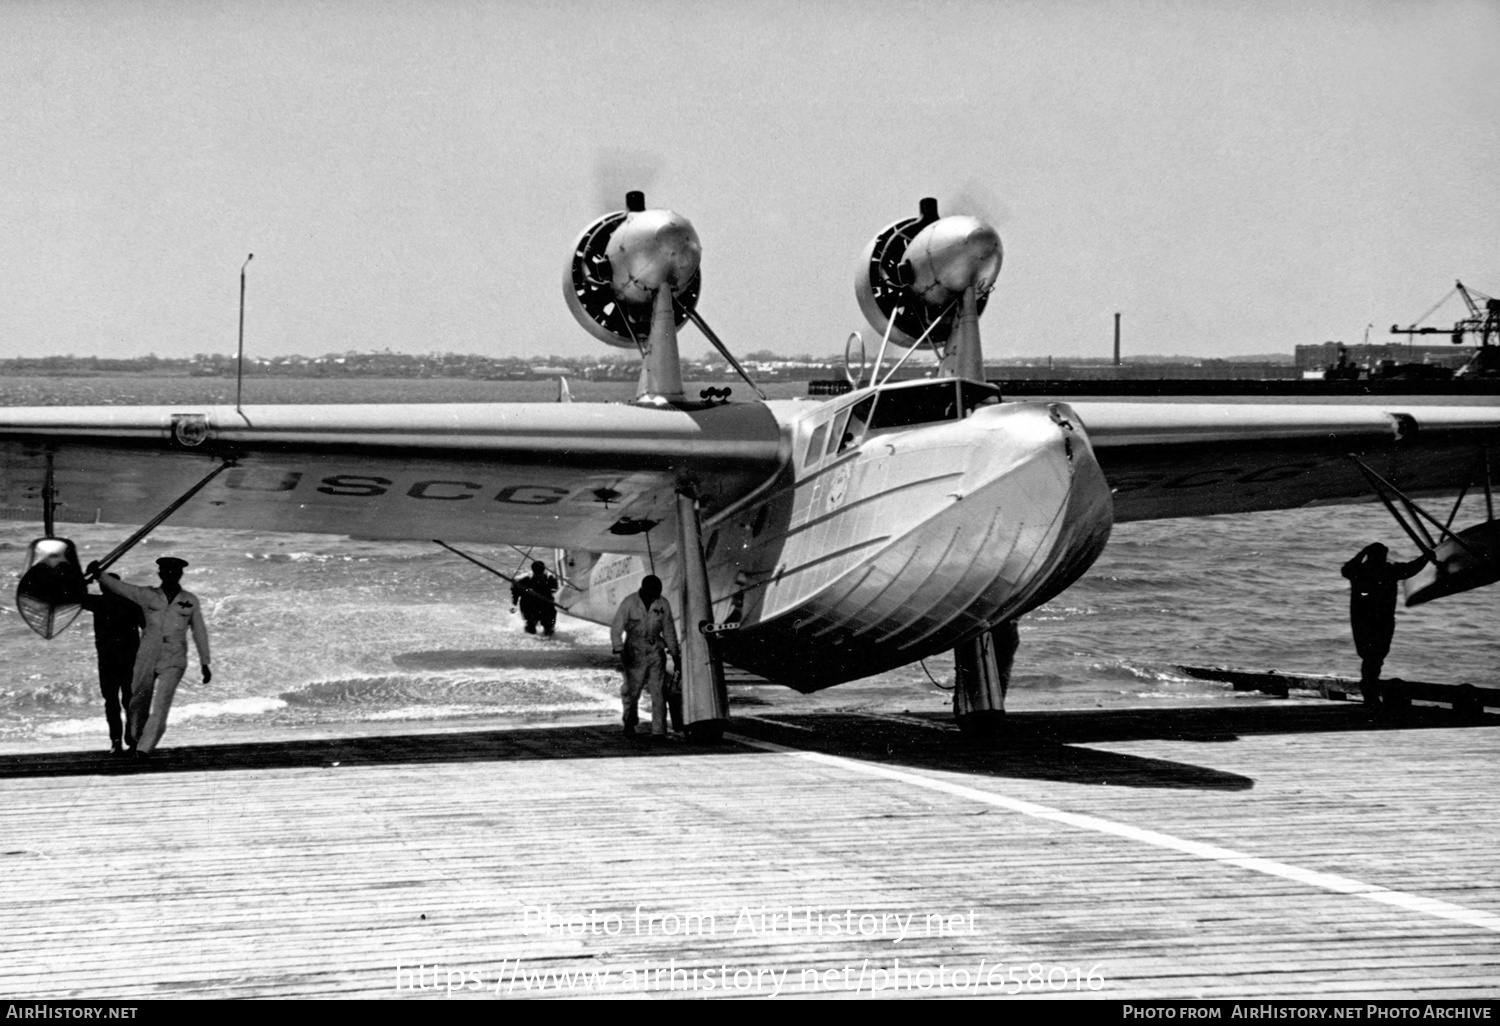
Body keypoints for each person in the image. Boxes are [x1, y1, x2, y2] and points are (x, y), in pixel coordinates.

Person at [89, 556, 212, 760]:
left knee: (162, 702)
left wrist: (205, 662)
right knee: (138, 700)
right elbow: (122, 587)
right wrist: (98, 574)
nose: (170, 575)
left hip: (174, 657)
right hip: (146, 654)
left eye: (174, 572)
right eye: (166, 572)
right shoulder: (147, 595)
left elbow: (199, 630)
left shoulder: (189, 600)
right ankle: (136, 738)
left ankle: (143, 749)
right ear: (160, 574)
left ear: (180, 574)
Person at [1341, 542, 1428, 710]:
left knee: (1372, 657)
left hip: (1365, 621)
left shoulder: (1360, 571)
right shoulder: (1387, 570)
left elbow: (1347, 568)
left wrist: (1362, 553)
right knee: (1374, 657)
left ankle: (1370, 692)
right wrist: (1427, 557)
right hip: (1379, 621)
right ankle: (1370, 693)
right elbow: (1411, 568)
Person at [80, 574, 146, 755]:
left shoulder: (99, 603)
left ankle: (117, 742)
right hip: (129, 659)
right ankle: (131, 740)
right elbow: (147, 627)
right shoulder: (132, 603)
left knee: (112, 702)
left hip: (109, 660)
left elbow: (76, 596)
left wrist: (84, 581)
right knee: (128, 701)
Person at [610, 575, 680, 738]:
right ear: (644, 589)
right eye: (654, 592)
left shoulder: (662, 603)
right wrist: (621, 650)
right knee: (632, 691)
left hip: (656, 649)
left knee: (658, 692)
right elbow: (616, 629)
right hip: (634, 650)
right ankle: (629, 722)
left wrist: (675, 655)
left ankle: (659, 731)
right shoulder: (630, 602)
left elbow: (669, 630)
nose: (656, 595)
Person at [511, 560, 559, 637]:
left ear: (543, 570)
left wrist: (554, 592)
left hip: (546, 605)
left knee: (549, 628)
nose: (538, 575)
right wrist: (514, 604)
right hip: (529, 605)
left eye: (540, 573)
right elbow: (515, 591)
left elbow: (557, 590)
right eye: (536, 573)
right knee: (530, 628)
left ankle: (550, 644)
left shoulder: (550, 578)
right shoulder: (524, 579)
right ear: (533, 570)